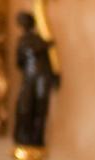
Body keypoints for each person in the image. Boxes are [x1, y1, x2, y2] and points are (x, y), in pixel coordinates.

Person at [14, 11, 60, 148]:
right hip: (29, 77)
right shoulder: (24, 41)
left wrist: (55, 75)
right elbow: (19, 61)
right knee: (25, 106)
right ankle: (24, 137)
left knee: (40, 107)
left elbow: (49, 58)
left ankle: (37, 138)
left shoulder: (39, 39)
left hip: (42, 76)